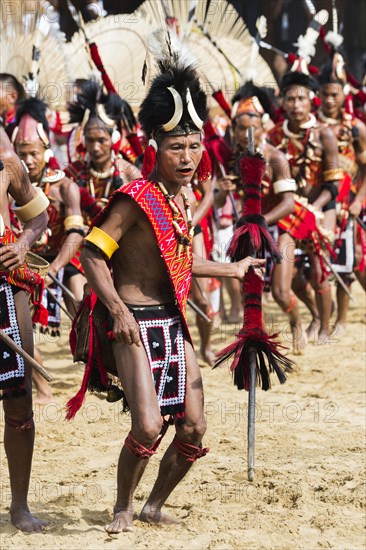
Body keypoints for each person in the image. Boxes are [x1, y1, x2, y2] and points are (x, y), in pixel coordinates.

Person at [67, 42, 265, 533]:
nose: (189, 156)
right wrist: (115, 310)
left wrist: (232, 271)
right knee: (149, 426)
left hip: (171, 323)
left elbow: (182, 261)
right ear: (155, 146)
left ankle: (154, 505)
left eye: (195, 145)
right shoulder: (135, 198)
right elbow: (91, 253)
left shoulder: (182, 198)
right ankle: (123, 506)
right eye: (177, 147)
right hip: (132, 322)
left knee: (195, 429)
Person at [13, 98, 87, 403]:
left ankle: (99, 370)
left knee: (84, 305)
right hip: (24, 261)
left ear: (45, 150)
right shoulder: (10, 185)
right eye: (22, 155)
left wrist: (57, 265)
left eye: (33, 154)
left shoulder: (64, 187)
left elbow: (75, 232)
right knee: (18, 324)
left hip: (63, 259)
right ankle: (42, 388)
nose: (28, 161)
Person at [268, 71, 341, 344]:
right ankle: (311, 314)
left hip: (323, 206)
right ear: (283, 103)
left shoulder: (326, 135)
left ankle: (324, 328)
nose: (296, 105)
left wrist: (315, 209)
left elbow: (333, 183)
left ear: (311, 101)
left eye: (301, 98)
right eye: (290, 99)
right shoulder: (274, 136)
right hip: (291, 210)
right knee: (289, 277)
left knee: (320, 270)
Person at [0, 124, 49, 531]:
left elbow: (39, 215)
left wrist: (21, 245)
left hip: (6, 293)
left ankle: (19, 506)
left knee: (18, 401)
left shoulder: (9, 167)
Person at [317, 56, 366, 334]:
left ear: (343, 93)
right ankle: (322, 314)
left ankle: (343, 320)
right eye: (325, 94)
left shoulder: (356, 128)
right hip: (322, 201)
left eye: (335, 94)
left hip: (349, 203)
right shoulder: (311, 127)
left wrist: (360, 200)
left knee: (350, 260)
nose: (330, 99)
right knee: (319, 259)